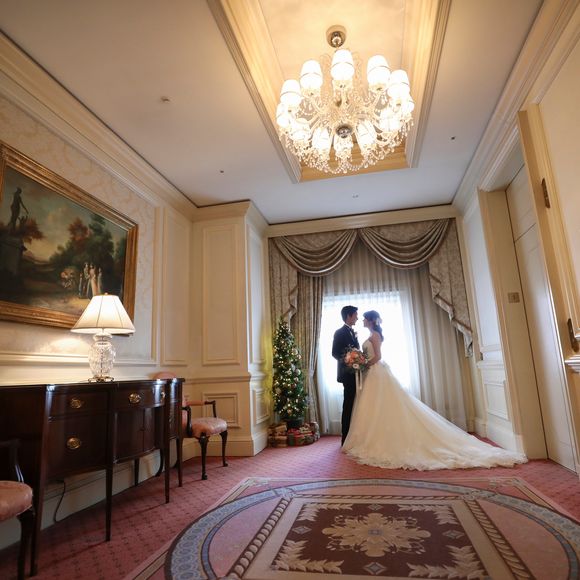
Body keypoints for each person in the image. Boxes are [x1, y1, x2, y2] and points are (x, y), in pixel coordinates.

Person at [343, 309, 527, 469]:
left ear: (371, 320)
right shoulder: (371, 334)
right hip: (373, 374)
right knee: (375, 407)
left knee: (381, 405)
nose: (362, 320)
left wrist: (364, 363)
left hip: (377, 372)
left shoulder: (375, 335)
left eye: (364, 318)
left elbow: (378, 356)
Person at [332, 305, 359, 446]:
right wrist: (349, 360)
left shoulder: (353, 332)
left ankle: (355, 436)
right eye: (355, 315)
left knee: (355, 405)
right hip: (347, 374)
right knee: (348, 405)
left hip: (356, 373)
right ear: (349, 316)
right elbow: (335, 353)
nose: (357, 318)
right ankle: (345, 438)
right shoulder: (339, 332)